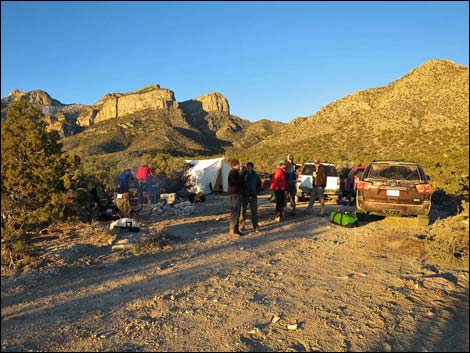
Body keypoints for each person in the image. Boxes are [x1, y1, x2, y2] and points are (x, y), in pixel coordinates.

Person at [240, 162, 262, 232]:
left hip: (253, 196)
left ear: (252, 167)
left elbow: (259, 184)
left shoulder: (255, 175)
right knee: (242, 211)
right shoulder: (243, 175)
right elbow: (240, 183)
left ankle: (255, 226)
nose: (248, 168)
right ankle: (241, 226)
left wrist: (256, 191)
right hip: (244, 196)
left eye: (249, 166)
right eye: (247, 166)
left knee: (254, 212)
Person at [228, 158, 245, 236]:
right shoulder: (233, 173)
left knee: (237, 212)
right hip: (235, 194)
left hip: (236, 193)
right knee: (235, 212)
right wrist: (242, 177)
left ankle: (236, 229)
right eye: (238, 164)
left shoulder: (234, 172)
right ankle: (233, 230)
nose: (239, 166)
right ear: (236, 164)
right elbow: (235, 182)